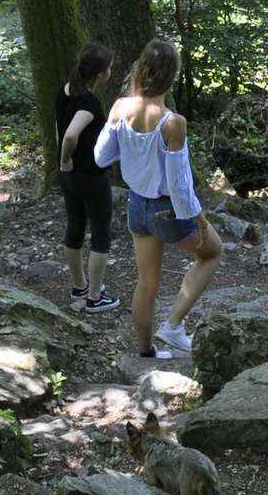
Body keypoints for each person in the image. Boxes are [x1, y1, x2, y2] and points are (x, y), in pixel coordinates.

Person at [94, 37, 222, 357]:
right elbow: (179, 184)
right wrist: (199, 219)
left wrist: (126, 142)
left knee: (146, 283)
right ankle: (173, 326)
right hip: (167, 210)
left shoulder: (120, 107)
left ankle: (145, 353)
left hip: (136, 206)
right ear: (172, 75)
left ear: (142, 68)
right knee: (213, 252)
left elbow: (101, 157)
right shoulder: (172, 122)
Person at [55, 43, 120, 314]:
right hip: (90, 176)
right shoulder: (88, 103)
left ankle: (80, 286)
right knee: (101, 233)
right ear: (101, 73)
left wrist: (62, 163)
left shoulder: (66, 90)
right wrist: (65, 158)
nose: (110, 71)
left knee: (75, 225)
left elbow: (59, 130)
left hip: (69, 176)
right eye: (109, 68)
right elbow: (70, 135)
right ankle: (95, 297)